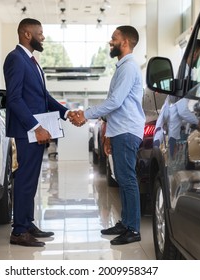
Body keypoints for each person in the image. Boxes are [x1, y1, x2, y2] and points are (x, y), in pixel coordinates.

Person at [3, 18, 77, 247]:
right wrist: (36, 127)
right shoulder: (15, 59)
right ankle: (19, 231)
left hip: (36, 131)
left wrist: (66, 113)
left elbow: (44, 97)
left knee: (31, 180)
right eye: (40, 33)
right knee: (25, 179)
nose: (43, 37)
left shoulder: (31, 61)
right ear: (27, 34)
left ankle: (27, 222)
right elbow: (14, 99)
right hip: (28, 131)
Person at [74, 25, 145, 245]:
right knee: (122, 179)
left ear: (125, 42)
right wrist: (107, 135)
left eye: (113, 38)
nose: (110, 42)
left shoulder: (129, 67)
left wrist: (85, 114)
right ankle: (125, 223)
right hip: (120, 130)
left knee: (128, 180)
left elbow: (115, 102)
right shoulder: (122, 67)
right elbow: (116, 106)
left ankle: (133, 229)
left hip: (127, 131)